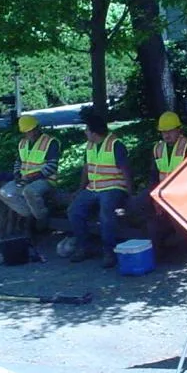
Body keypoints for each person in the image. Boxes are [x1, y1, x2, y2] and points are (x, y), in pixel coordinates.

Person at [67, 111, 132, 268]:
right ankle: (84, 246)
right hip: (93, 188)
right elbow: (86, 168)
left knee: (106, 212)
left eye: (87, 130)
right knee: (73, 210)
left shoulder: (116, 145)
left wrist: (130, 193)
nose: (85, 132)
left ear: (94, 133)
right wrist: (80, 190)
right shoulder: (90, 145)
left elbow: (126, 170)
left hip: (114, 187)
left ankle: (109, 251)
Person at [148, 111, 187, 258]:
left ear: (179, 130)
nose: (166, 135)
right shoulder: (158, 148)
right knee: (146, 213)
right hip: (163, 194)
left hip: (184, 196)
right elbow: (153, 176)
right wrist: (155, 198)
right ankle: (158, 251)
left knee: (176, 220)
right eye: (163, 132)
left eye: (170, 131)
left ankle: (183, 251)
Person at [0, 115, 60, 231]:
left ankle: (42, 217)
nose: (31, 133)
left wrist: (33, 178)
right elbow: (18, 162)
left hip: (45, 180)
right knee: (3, 192)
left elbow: (52, 166)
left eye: (33, 130)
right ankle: (30, 214)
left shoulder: (51, 142)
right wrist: (17, 175)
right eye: (28, 132)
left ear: (38, 128)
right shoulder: (22, 144)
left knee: (29, 191)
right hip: (24, 179)